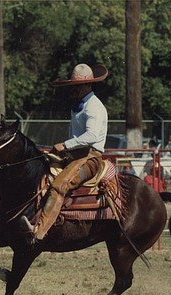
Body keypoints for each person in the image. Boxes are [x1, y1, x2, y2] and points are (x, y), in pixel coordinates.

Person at [26, 63, 109, 241]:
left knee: (59, 184)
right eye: (73, 85)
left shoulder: (94, 106)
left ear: (88, 85)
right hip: (74, 156)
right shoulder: (80, 105)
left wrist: (65, 145)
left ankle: (40, 231)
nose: (74, 89)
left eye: (77, 86)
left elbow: (92, 135)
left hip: (89, 158)